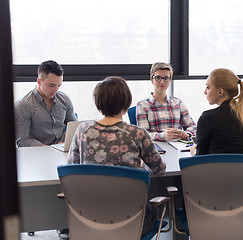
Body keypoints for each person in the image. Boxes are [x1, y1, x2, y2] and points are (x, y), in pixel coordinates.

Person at [68, 76, 166, 237]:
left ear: (98, 103)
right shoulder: (138, 133)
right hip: (132, 217)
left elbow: (72, 168)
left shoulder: (83, 130)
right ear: (127, 103)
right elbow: (160, 170)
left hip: (91, 214)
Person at [192, 68, 243, 156]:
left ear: (220, 91)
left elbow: (199, 158)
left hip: (215, 170)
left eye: (208, 87)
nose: (205, 92)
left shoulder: (208, 118)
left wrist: (193, 151)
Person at [14, 60, 77, 147]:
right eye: (52, 85)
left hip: (63, 150)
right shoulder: (23, 105)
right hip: (38, 154)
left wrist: (66, 146)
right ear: (39, 81)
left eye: (59, 85)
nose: (56, 90)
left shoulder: (64, 99)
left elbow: (75, 129)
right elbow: (22, 140)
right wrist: (51, 149)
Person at [136, 62, 196, 141]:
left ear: (170, 80)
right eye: (158, 78)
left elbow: (192, 126)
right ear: (152, 79)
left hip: (178, 146)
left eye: (166, 78)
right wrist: (162, 136)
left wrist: (186, 134)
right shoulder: (142, 105)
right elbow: (143, 135)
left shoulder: (177, 103)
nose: (162, 82)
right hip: (156, 149)